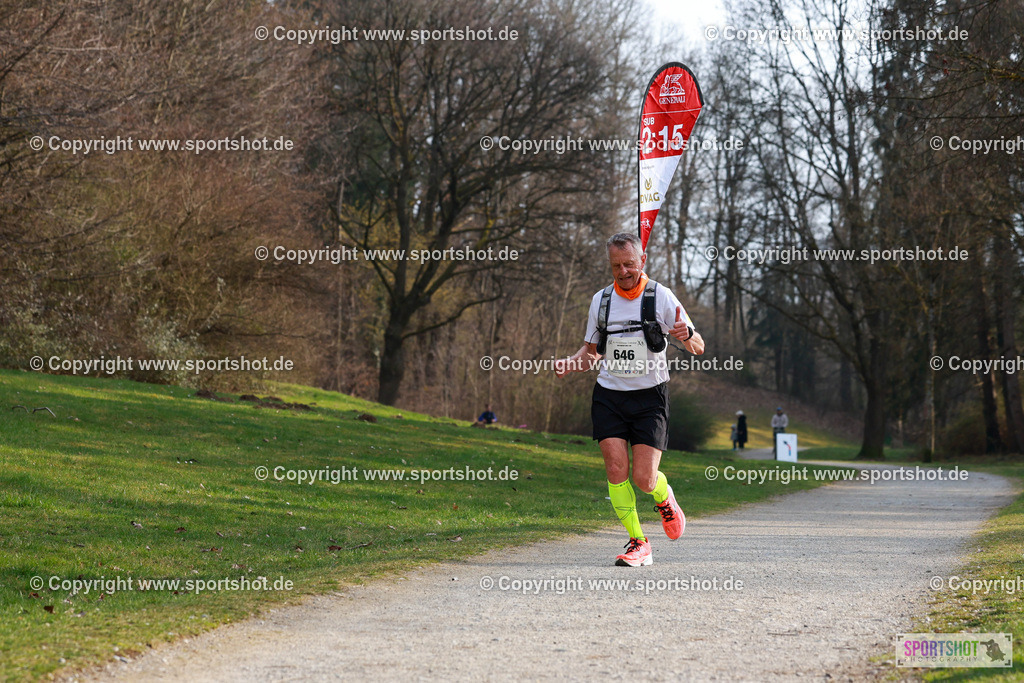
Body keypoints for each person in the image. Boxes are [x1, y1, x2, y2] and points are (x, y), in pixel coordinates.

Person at [554, 232, 705, 567]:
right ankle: (639, 542)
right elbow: (591, 354)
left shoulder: (660, 296)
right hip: (609, 395)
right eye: (616, 265)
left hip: (650, 398)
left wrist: (688, 334)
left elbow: (699, 347)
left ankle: (665, 498)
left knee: (644, 479)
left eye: (629, 264)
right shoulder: (601, 301)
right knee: (615, 470)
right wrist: (570, 363)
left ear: (642, 262)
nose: (622, 271)